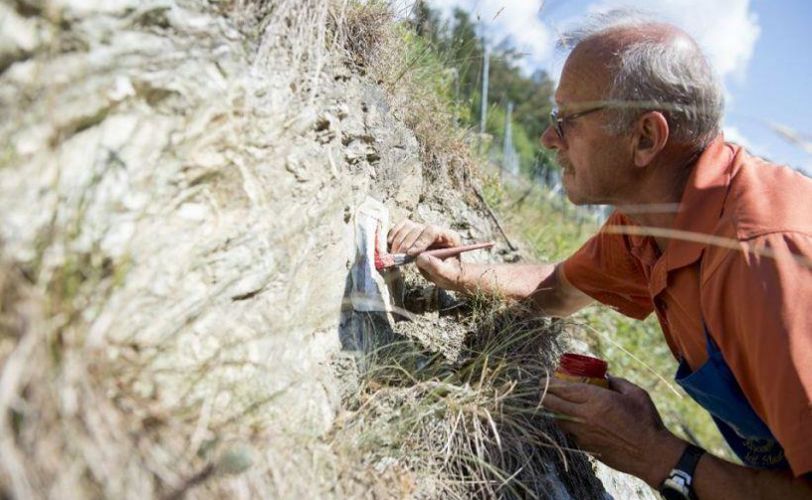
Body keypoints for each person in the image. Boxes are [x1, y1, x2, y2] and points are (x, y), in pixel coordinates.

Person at [388, 11, 812, 499]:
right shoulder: (653, 220)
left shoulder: (762, 261)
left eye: (566, 121)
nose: (550, 138)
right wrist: (457, 271)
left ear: (646, 138)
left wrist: (653, 453)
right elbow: (558, 287)